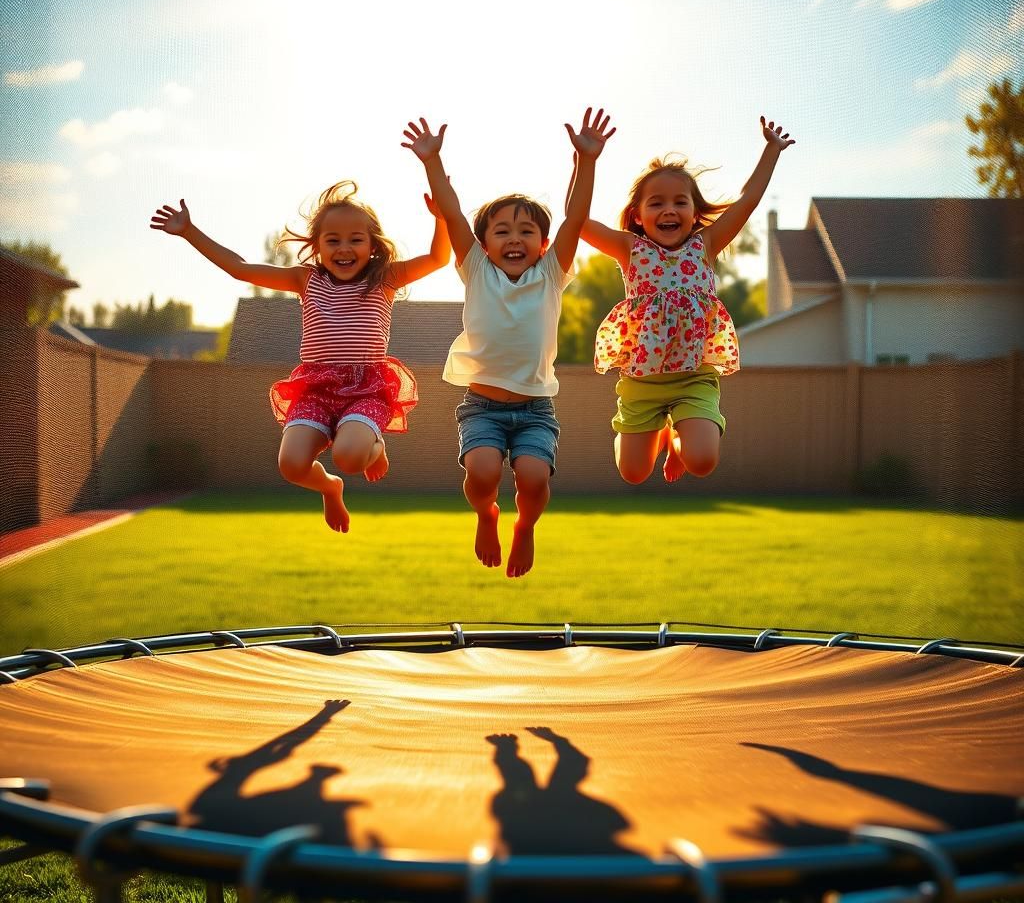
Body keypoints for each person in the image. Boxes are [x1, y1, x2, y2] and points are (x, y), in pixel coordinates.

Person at [149, 180, 450, 532]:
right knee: (291, 466)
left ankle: (373, 444)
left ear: (372, 245)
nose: (344, 248)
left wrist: (442, 219)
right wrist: (189, 231)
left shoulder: (384, 278)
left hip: (366, 389)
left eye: (355, 239)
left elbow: (437, 258)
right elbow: (239, 268)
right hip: (316, 389)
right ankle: (330, 488)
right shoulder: (305, 280)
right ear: (317, 246)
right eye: (332, 240)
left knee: (349, 458)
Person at [402, 108, 615, 578]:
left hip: (535, 409)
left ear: (543, 244)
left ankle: (525, 526)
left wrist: (587, 161)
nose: (514, 239)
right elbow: (453, 213)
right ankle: (486, 514)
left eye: (526, 232)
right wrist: (432, 161)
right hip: (482, 407)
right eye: (501, 231)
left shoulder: (550, 274)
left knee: (534, 480)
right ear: (482, 244)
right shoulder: (477, 270)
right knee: (481, 474)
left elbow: (576, 217)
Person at [580, 116, 796, 485]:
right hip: (642, 381)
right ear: (637, 216)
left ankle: (678, 441)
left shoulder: (705, 245)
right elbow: (579, 222)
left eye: (680, 202)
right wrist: (586, 161)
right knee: (633, 473)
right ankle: (662, 433)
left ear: (694, 213)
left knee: (702, 460)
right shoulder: (630, 249)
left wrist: (771, 151)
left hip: (694, 376)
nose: (669, 210)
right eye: (656, 203)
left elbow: (747, 201)